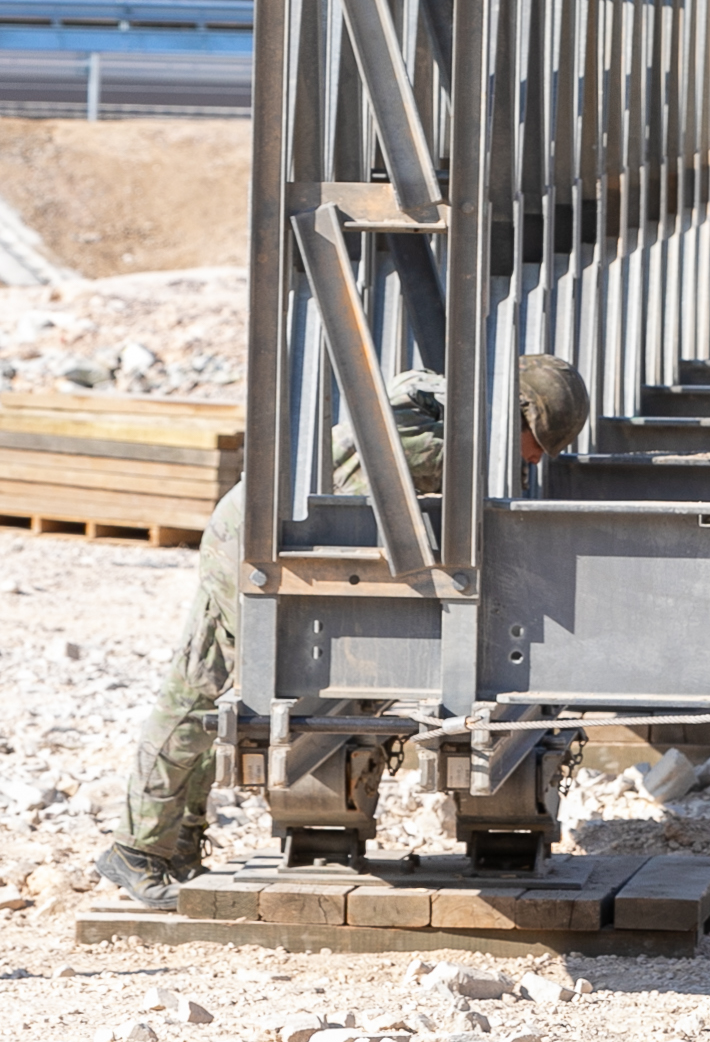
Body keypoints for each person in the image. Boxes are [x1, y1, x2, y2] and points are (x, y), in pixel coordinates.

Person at [94, 355, 591, 909]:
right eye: (540, 446)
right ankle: (138, 852)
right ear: (520, 417)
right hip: (255, 545)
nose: (535, 462)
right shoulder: (435, 433)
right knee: (206, 692)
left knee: (209, 690)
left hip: (272, 540)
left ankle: (170, 845)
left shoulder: (445, 416)